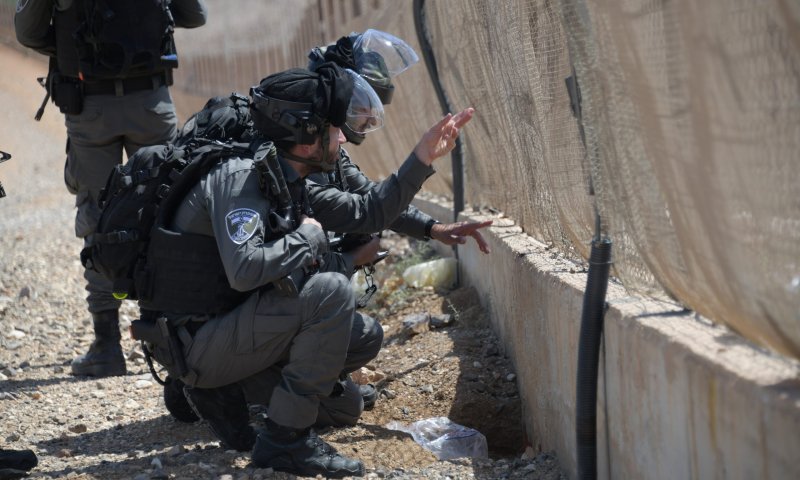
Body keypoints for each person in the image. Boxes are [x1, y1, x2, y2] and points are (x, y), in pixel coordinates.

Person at [137, 63, 473, 477]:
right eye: (333, 128)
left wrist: (422, 159)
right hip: (197, 342)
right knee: (331, 291)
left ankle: (233, 389)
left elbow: (369, 210)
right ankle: (283, 442)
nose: (342, 137)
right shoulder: (241, 179)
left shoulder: (286, 176)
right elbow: (245, 270)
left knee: (347, 398)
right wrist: (308, 240)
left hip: (232, 325)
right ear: (306, 135)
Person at [14, 0, 208, 378]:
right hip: (153, 105)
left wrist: (76, 44)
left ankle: (107, 347)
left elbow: (29, 33)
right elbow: (195, 16)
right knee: (165, 210)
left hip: (90, 107)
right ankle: (170, 335)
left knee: (100, 216)